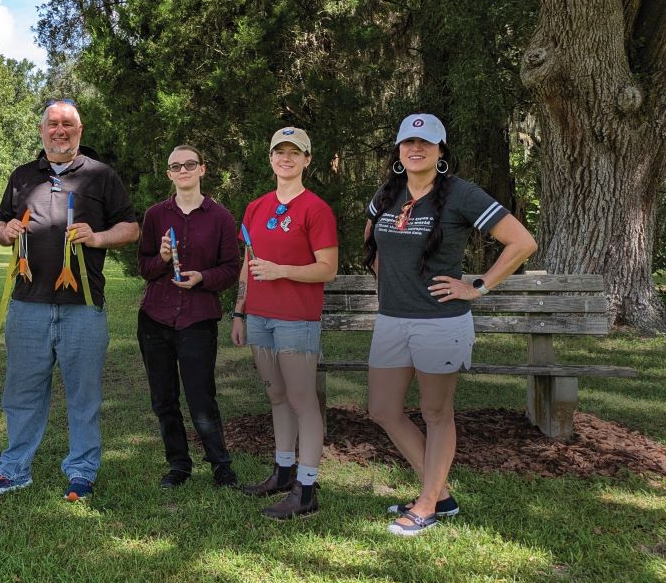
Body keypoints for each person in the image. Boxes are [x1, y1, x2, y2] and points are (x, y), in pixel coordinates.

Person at [364, 113, 537, 536]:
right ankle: (440, 494)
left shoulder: (461, 194)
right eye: (408, 143)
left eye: (425, 143)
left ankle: (427, 503)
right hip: (392, 319)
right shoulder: (388, 193)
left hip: (440, 322)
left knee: (436, 412)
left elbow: (522, 242)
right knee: (383, 410)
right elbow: (372, 243)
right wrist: (388, 278)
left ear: (441, 150)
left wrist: (477, 286)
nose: (415, 149)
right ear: (399, 150)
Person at [0, 100, 139, 501]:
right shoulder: (22, 176)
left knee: (84, 394)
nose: (59, 131)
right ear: (41, 131)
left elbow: (131, 228)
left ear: (79, 131)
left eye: (67, 124)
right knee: (21, 392)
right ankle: (14, 469)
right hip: (27, 303)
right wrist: (5, 230)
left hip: (83, 306)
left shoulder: (101, 176)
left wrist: (97, 237)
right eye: (52, 124)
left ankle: (81, 472)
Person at [232, 127, 338, 519]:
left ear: (307, 160)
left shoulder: (316, 209)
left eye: (296, 153)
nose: (287, 158)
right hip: (259, 317)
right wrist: (240, 311)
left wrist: (282, 271)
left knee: (301, 399)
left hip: (296, 319)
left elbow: (328, 269)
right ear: (270, 158)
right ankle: (282, 472)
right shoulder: (256, 207)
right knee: (276, 394)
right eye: (280, 151)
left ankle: (307, 488)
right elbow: (248, 261)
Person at [137, 145, 242, 490]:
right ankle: (178, 465)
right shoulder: (155, 215)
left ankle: (220, 466)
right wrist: (163, 258)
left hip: (197, 319)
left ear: (202, 169)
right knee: (163, 398)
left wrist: (202, 278)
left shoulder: (221, 217)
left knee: (201, 396)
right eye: (176, 166)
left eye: (190, 164)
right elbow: (145, 267)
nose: (183, 170)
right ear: (168, 174)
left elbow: (230, 269)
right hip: (156, 318)